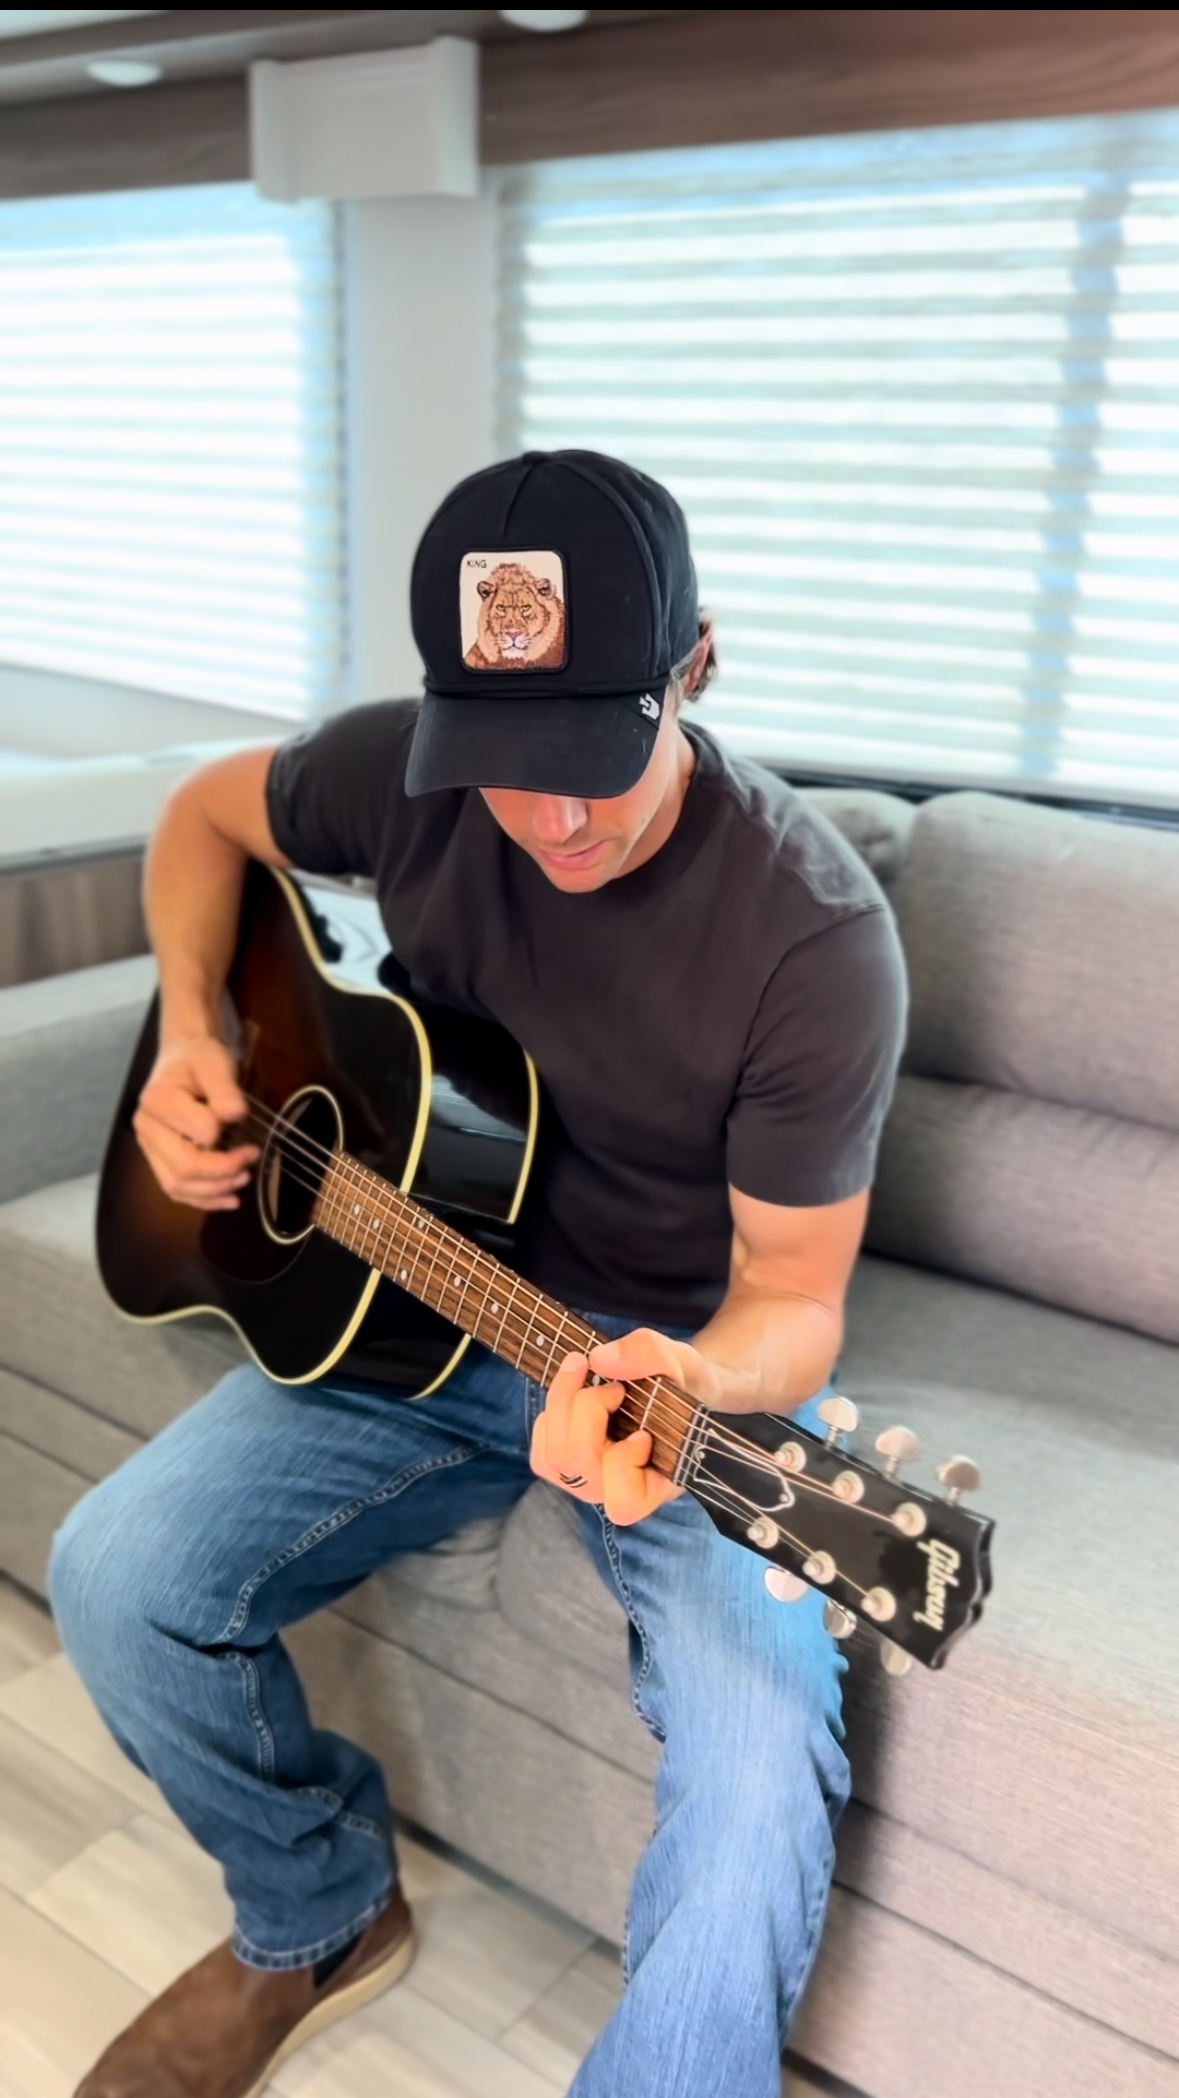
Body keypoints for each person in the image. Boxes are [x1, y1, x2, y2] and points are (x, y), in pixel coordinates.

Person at [51, 450, 907, 2098]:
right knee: (113, 1573)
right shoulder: (405, 775)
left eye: (594, 756)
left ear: (696, 664)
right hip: (405, 1310)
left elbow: (796, 1297)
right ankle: (316, 1910)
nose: (555, 817)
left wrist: (695, 1374)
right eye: (511, 766)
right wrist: (194, 1028)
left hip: (665, 1360)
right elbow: (199, 816)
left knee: (757, 1762)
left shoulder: (812, 938)